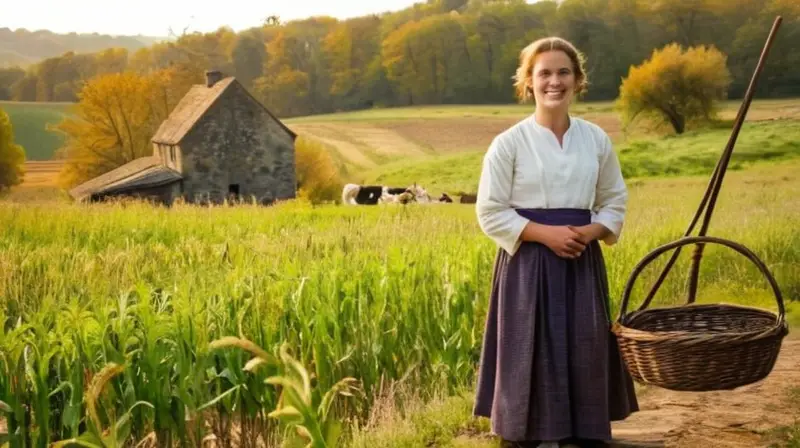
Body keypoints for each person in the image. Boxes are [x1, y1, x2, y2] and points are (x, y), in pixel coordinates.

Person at [472, 37, 639, 448]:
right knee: (529, 347)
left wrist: (592, 231)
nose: (554, 81)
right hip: (528, 263)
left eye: (563, 72)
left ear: (578, 80)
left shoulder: (595, 139)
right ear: (528, 82)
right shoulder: (508, 143)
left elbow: (614, 199)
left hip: (580, 259)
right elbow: (490, 211)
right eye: (544, 73)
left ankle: (582, 434)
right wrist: (545, 235)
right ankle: (524, 434)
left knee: (585, 347)